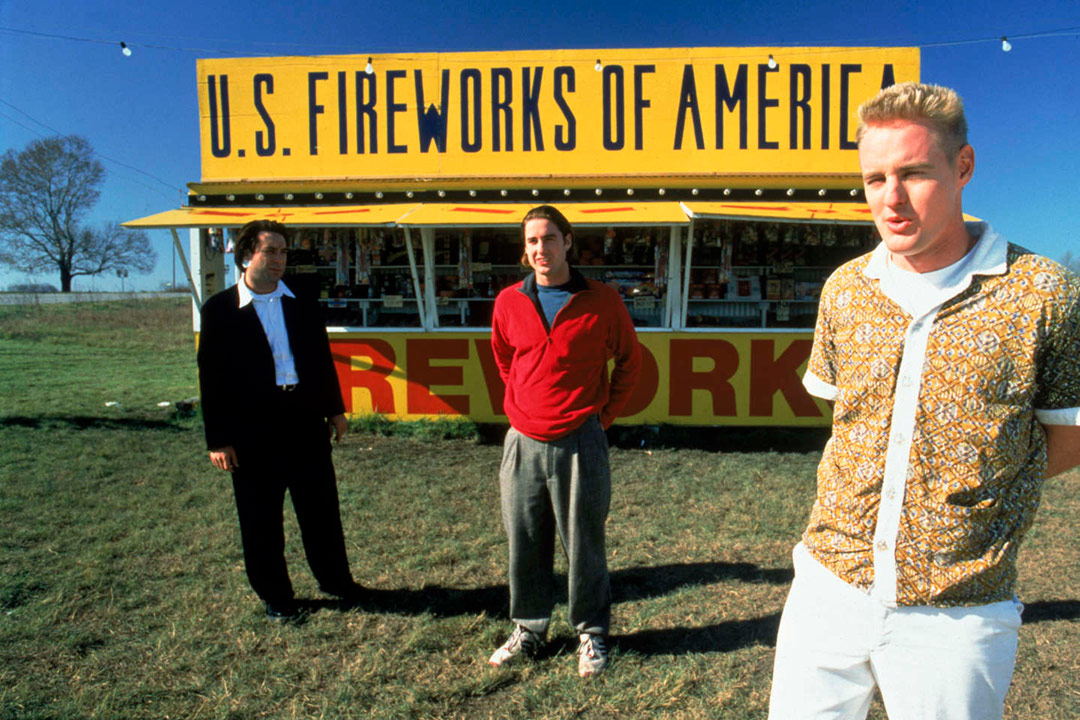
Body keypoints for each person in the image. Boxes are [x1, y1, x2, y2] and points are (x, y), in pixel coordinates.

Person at [767, 82, 1080, 719]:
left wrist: (972, 492)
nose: (891, 198)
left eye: (913, 173)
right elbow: (846, 424)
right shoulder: (846, 288)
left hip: (959, 608)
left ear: (963, 167)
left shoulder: (1042, 293)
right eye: (874, 178)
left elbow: (1068, 435)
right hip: (828, 587)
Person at [488, 205, 641, 678]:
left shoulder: (602, 301)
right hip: (523, 442)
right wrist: (524, 406)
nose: (540, 249)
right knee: (525, 541)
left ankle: (591, 633)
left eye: (549, 238)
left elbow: (630, 363)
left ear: (568, 242)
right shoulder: (509, 302)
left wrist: (602, 416)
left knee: (584, 544)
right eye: (532, 241)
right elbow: (504, 361)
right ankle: (529, 628)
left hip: (581, 439)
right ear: (524, 250)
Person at [197, 219, 361, 621]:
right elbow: (211, 379)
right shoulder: (219, 310)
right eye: (270, 251)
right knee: (260, 518)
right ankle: (277, 597)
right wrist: (218, 440)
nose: (279, 260)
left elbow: (321, 359)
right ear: (245, 254)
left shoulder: (301, 298)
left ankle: (336, 581)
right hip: (253, 430)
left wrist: (335, 409)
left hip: (304, 420)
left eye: (283, 252)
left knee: (321, 510)